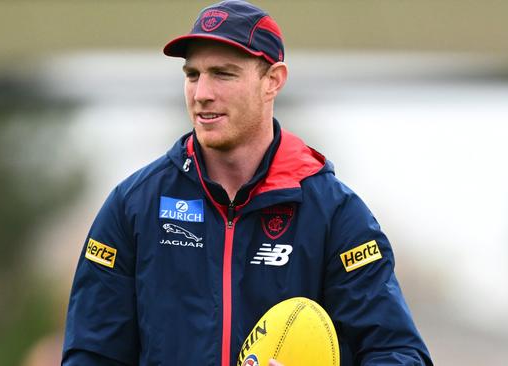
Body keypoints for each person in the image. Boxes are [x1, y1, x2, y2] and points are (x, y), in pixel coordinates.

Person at [62, 1, 433, 365]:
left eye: (223, 74)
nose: (202, 93)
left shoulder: (334, 213)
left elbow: (398, 352)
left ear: (273, 80)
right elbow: (91, 354)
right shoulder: (134, 206)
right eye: (193, 75)